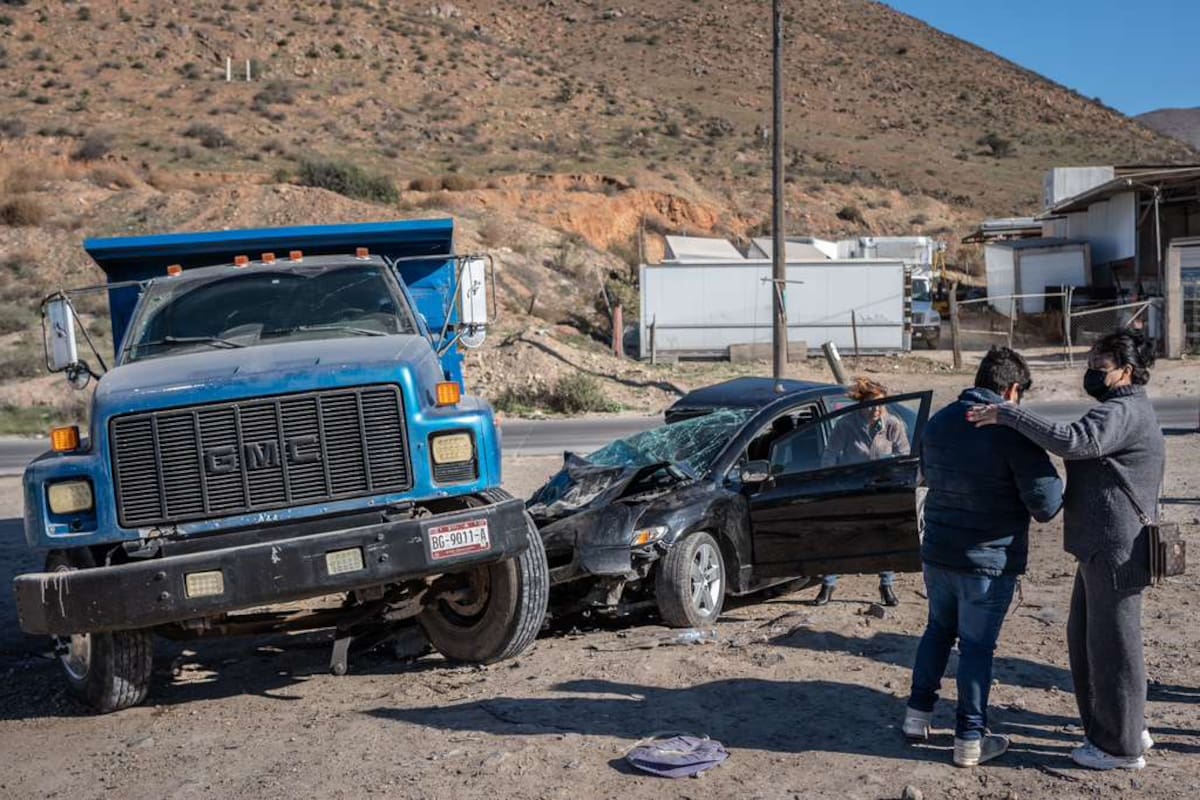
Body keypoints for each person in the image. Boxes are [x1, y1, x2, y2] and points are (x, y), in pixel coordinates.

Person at [967, 329, 1164, 771]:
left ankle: (1120, 748)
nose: (1091, 372)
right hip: (1102, 546)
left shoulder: (1124, 410)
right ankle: (1128, 727)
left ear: (1125, 372)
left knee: (1113, 646)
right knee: (1089, 639)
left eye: (1100, 366)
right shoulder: (1119, 408)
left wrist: (1010, 414)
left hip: (1116, 548)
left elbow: (1073, 440)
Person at [902, 346, 1063, 767]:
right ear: (1012, 391)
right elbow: (1046, 504)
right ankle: (969, 739)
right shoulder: (1011, 431)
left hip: (937, 551)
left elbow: (927, 477)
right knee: (976, 649)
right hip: (987, 561)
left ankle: (916, 717)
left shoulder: (937, 422)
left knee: (937, 630)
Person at [813, 377, 908, 607]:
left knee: (883, 537)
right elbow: (830, 455)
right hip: (852, 488)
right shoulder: (847, 424)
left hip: (881, 487)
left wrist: (894, 471)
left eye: (880, 404)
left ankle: (886, 585)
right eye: (872, 404)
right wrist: (831, 482)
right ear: (862, 404)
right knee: (840, 536)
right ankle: (828, 584)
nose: (876, 409)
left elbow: (905, 454)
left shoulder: (893, 425)